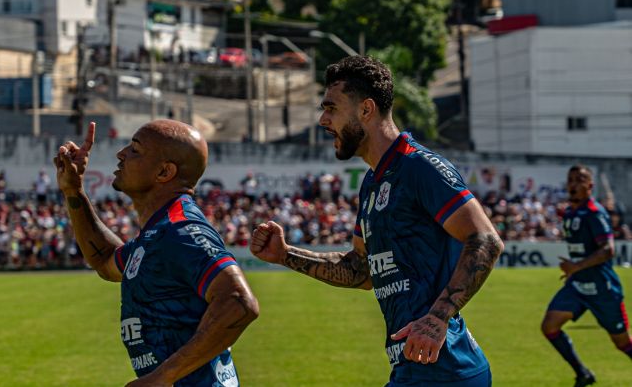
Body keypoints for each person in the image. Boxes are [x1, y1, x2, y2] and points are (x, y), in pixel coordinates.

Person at [251, 56, 504, 386]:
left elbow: (485, 239)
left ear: (366, 110)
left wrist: (438, 317)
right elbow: (361, 270)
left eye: (331, 108)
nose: (323, 120)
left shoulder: (419, 167)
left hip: (444, 370)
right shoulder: (372, 183)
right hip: (414, 367)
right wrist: (285, 255)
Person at [54, 120, 259, 387]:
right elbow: (105, 260)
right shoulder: (158, 233)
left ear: (164, 171)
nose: (121, 153)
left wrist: (162, 378)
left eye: (136, 149)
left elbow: (239, 303)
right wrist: (74, 190)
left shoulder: (181, 229)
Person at [541, 165, 632, 387]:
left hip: (603, 288)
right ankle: (583, 373)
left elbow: (608, 250)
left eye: (580, 179)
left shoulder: (594, 212)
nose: (574, 183)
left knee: (622, 344)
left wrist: (576, 266)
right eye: (571, 179)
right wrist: (575, 271)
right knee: (549, 326)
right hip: (578, 286)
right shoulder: (571, 212)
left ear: (590, 186)